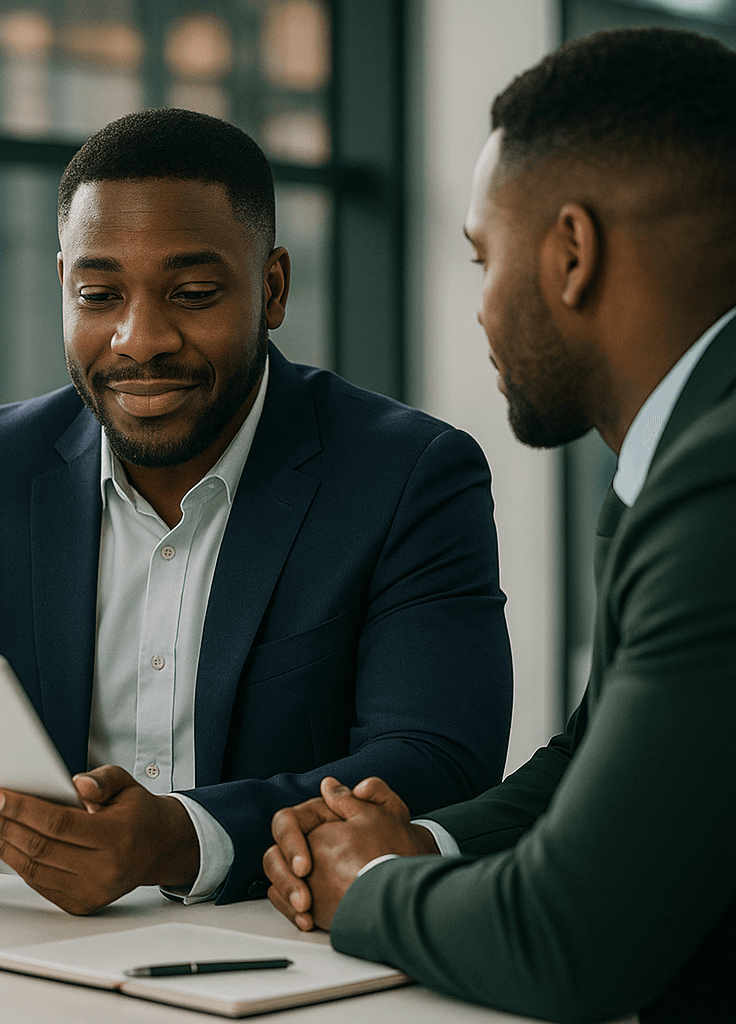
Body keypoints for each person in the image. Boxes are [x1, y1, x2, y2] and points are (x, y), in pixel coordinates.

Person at [0, 108, 511, 915]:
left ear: (272, 289)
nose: (138, 338)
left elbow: (439, 756)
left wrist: (181, 838)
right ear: (64, 286)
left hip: (277, 957)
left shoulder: (408, 475)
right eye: (99, 294)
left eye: (191, 293)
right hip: (11, 959)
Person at [263, 26, 736, 1024]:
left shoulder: (717, 481)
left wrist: (369, 886)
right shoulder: (675, 457)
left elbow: (563, 940)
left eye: (484, 256)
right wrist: (416, 843)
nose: (478, 308)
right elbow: (599, 754)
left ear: (570, 252)